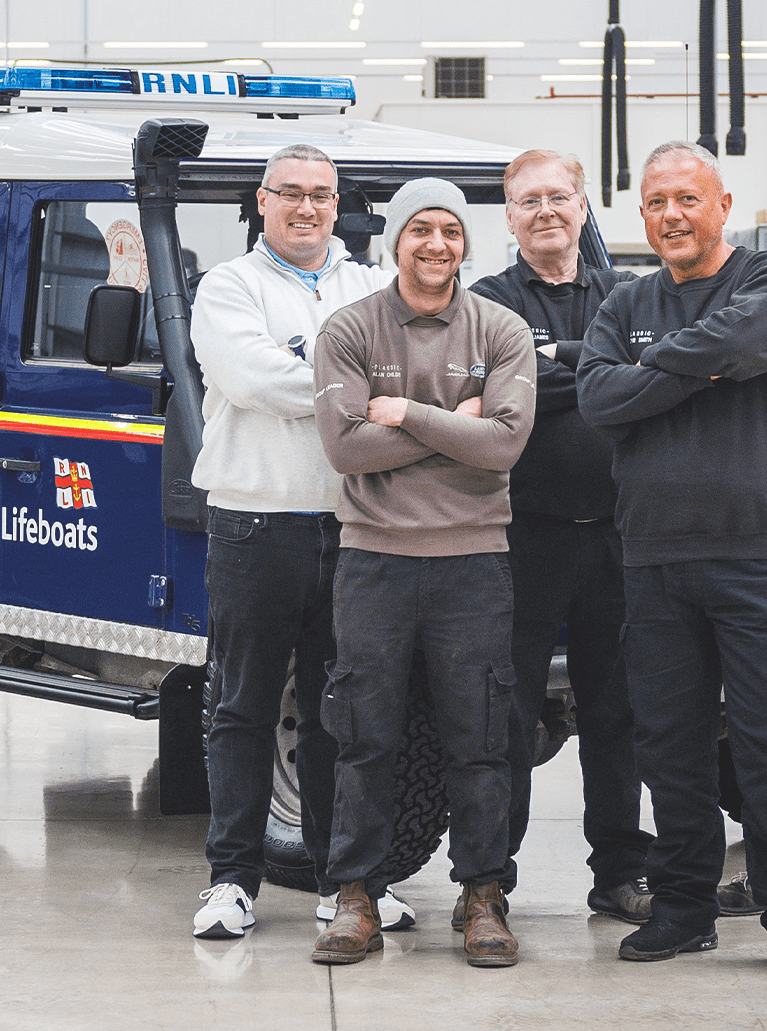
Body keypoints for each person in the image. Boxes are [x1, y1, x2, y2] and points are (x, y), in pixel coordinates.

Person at [575, 142, 767, 980]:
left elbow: (752, 336)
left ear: (721, 203)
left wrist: (654, 365)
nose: (671, 216)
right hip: (653, 559)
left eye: (687, 199)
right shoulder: (624, 302)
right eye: (656, 202)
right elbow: (597, 398)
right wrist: (706, 364)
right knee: (670, 746)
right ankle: (686, 907)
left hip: (760, 553)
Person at [187, 144, 415, 939]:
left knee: (338, 713)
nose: (308, 208)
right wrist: (359, 385)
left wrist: (318, 370)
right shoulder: (228, 286)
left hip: (354, 524)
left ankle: (344, 881)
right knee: (244, 706)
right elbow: (253, 379)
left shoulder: (370, 286)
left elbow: (409, 377)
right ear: (262, 200)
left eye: (321, 195)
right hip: (255, 521)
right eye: (291, 193)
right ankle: (230, 881)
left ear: (337, 203)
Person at [309, 178, 535, 967]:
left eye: (449, 230)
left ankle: (482, 897)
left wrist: (401, 411)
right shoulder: (349, 328)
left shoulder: (501, 328)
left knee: (479, 739)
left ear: (465, 241)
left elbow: (506, 445)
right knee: (363, 737)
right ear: (395, 240)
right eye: (420, 230)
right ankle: (355, 897)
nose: (436, 244)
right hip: (374, 562)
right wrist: (457, 424)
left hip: (475, 563)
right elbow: (345, 449)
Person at [467, 150, 653, 926]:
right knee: (504, 714)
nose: (545, 210)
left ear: (583, 206)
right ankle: (489, 882)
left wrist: (552, 368)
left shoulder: (631, 295)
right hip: (520, 540)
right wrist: (596, 372)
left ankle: (619, 872)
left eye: (559, 197)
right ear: (509, 215)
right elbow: (487, 394)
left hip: (618, 540)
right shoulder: (486, 302)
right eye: (528, 200)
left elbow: (647, 383)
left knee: (618, 713)